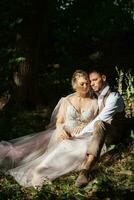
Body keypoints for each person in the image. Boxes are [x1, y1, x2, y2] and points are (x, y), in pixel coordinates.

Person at [0, 70, 102, 188]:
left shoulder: (95, 102)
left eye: (87, 83)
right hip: (63, 132)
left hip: (82, 136)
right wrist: (61, 130)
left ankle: (40, 172)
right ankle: (36, 169)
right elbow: (59, 121)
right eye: (82, 84)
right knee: (34, 149)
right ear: (75, 85)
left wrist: (84, 126)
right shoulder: (67, 100)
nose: (85, 86)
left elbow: (95, 122)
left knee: (70, 148)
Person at [75, 68, 125, 187]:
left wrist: (79, 134)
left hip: (116, 133)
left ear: (103, 78)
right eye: (90, 81)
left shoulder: (114, 97)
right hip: (100, 134)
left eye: (95, 80)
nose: (92, 83)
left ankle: (86, 170)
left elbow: (100, 119)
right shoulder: (98, 97)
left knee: (99, 123)